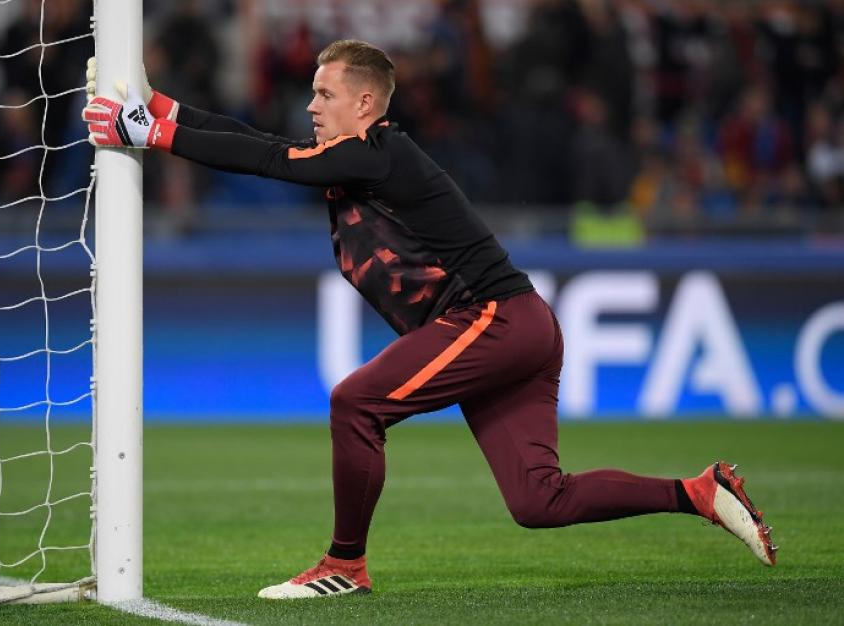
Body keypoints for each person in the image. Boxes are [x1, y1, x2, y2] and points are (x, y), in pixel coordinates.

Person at [82, 40, 777, 600]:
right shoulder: (352, 160)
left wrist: (152, 132)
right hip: (515, 328)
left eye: (324, 94)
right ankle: (696, 492)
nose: (311, 104)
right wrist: (161, 106)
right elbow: (258, 140)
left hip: (494, 320)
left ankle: (345, 564)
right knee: (538, 502)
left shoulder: (381, 154)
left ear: (364, 101)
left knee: (356, 402)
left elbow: (267, 158)